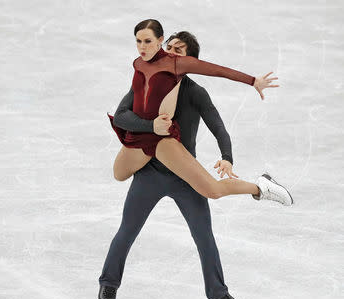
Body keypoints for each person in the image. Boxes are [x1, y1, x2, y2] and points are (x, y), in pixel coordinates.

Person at [106, 19, 293, 206]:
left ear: (188, 62)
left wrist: (227, 157)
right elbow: (121, 116)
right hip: (152, 158)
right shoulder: (145, 75)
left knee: (214, 191)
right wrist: (149, 126)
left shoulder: (195, 92)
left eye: (177, 51)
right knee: (119, 173)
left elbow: (218, 124)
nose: (170, 53)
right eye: (168, 47)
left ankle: (261, 187)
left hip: (178, 162)